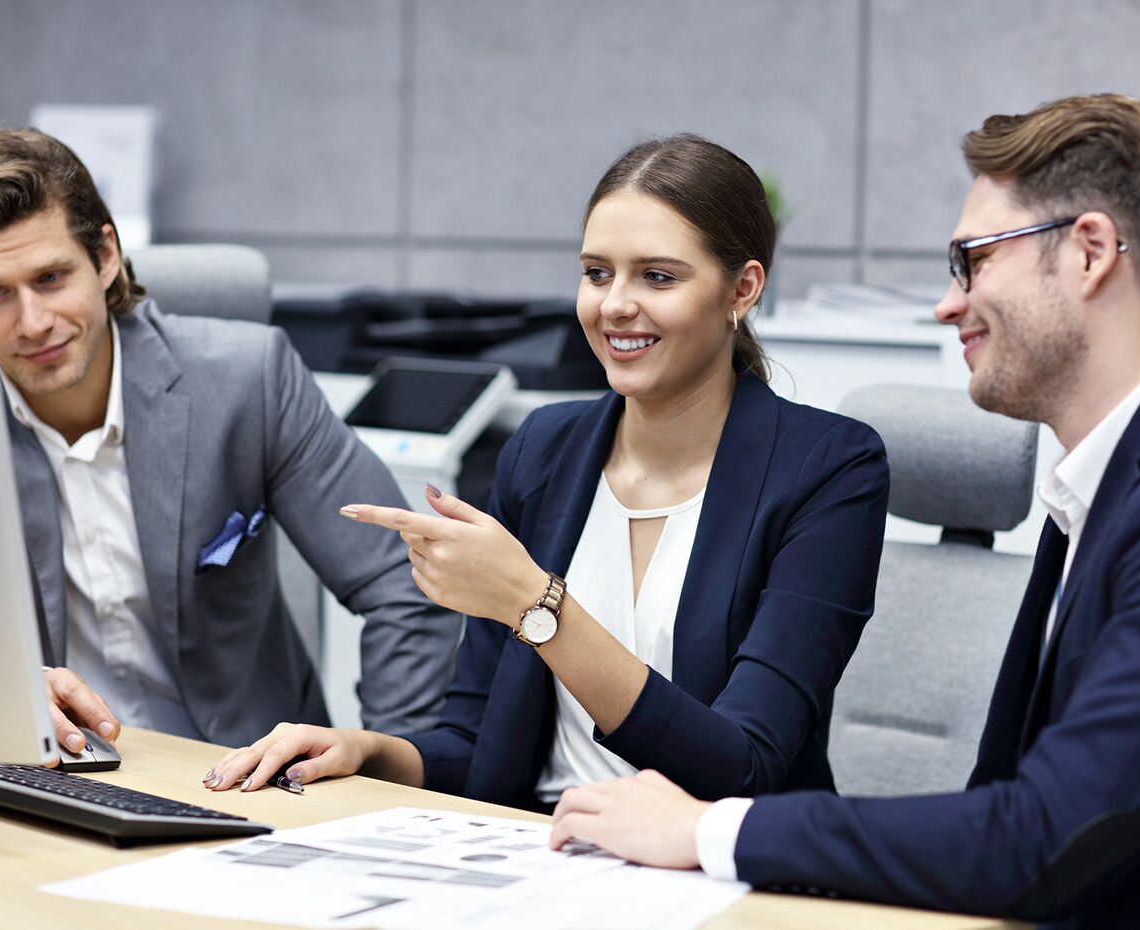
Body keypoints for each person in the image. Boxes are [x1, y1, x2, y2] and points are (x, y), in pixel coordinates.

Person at [549, 94, 1140, 930]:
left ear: (1088, 252)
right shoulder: (1090, 495)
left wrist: (708, 830)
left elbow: (1044, 834)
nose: (947, 305)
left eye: (972, 260)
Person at [206, 134, 889, 809]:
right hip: (535, 843)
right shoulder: (543, 450)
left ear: (742, 288)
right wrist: (369, 751)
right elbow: (478, 743)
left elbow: (745, 768)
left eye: (657, 276)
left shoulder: (829, 469)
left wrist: (536, 605)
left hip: (703, 855)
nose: (614, 304)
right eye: (597, 273)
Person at [0, 127, 459, 755]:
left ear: (105, 257)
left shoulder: (249, 380)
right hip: (48, 771)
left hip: (249, 775)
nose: (32, 323)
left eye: (51, 278)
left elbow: (404, 582)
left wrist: (388, 769)